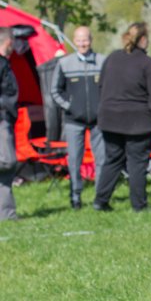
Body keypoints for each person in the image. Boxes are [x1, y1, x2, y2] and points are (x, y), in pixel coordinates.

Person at [93, 22, 151, 212]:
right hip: (138, 122)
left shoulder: (112, 58)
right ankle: (139, 205)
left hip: (110, 119)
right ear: (143, 40)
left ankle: (100, 200)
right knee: (137, 163)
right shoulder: (149, 64)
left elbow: (101, 86)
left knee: (113, 159)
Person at [51, 26, 105, 209]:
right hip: (73, 121)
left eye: (86, 39)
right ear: (74, 41)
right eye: (79, 40)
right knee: (74, 160)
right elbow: (55, 91)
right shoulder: (64, 63)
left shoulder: (102, 62)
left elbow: (109, 89)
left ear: (91, 40)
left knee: (101, 159)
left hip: (98, 121)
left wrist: (103, 108)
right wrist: (70, 106)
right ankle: (75, 197)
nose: (83, 43)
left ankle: (100, 197)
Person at [0, 27, 18, 220]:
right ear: (8, 42)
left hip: (6, 118)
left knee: (7, 171)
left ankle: (7, 214)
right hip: (1, 119)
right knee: (8, 161)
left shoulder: (5, 63)